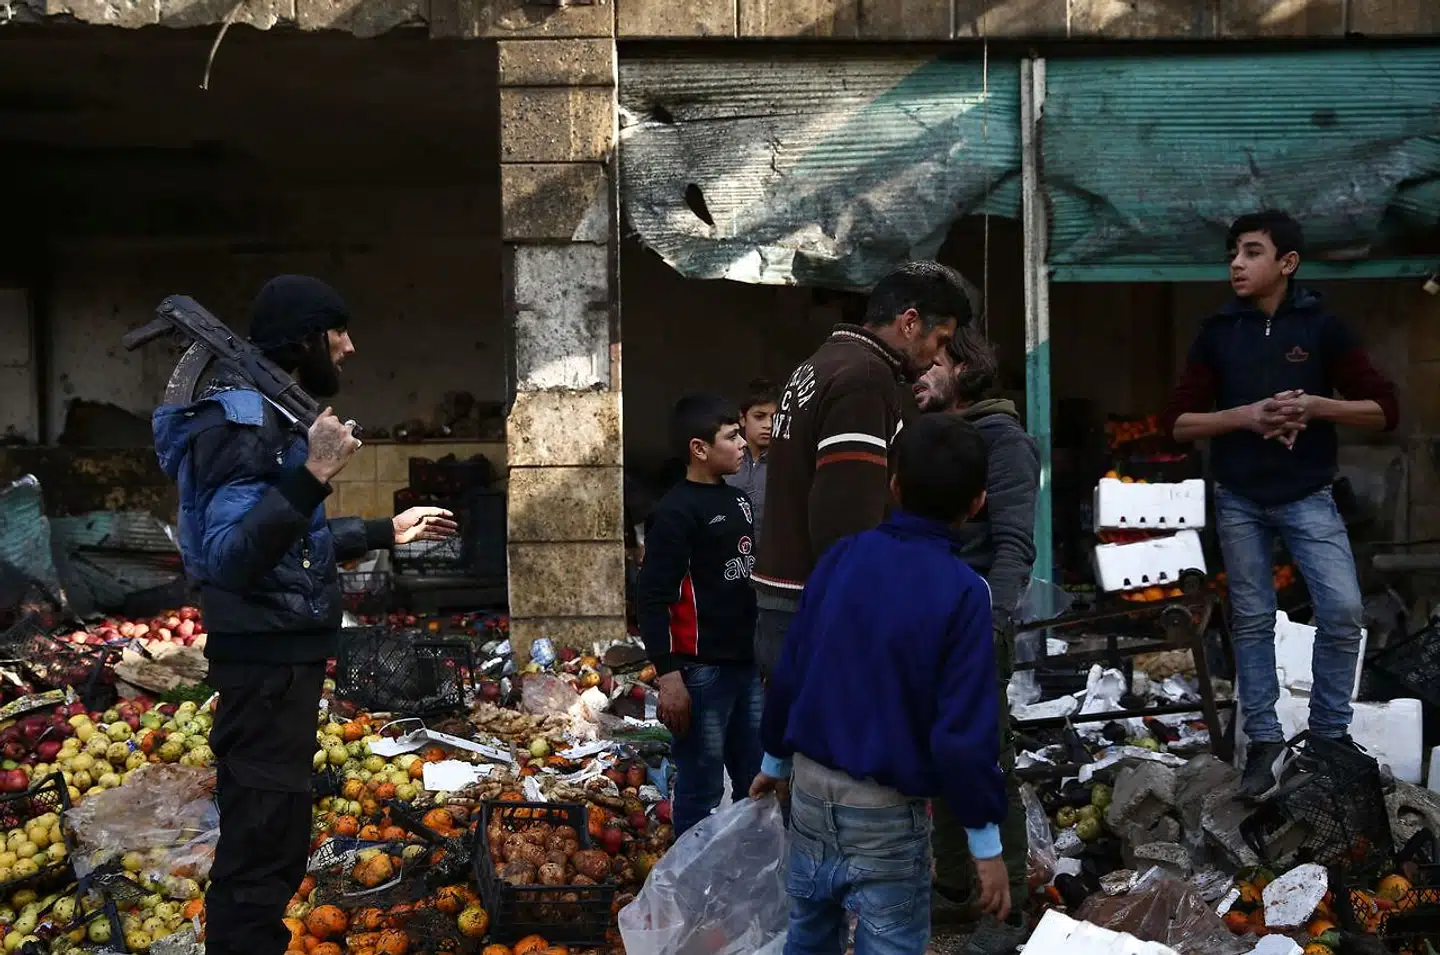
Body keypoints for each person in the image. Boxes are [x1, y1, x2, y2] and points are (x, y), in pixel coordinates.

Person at [151, 275, 458, 955]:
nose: (349, 346)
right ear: (307, 339)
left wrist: (381, 531)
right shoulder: (241, 423)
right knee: (261, 848)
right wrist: (312, 472)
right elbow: (232, 557)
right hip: (264, 666)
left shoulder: (265, 413)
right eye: (338, 331)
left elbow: (287, 542)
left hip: (279, 663)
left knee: (276, 840)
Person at [1159, 211, 1399, 800]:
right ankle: (1264, 741)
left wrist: (1316, 406)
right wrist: (1247, 416)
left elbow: (1383, 410)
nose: (1236, 264)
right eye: (1233, 254)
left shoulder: (1323, 328)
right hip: (1239, 496)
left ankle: (1329, 735)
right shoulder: (1218, 332)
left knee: (1342, 610)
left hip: (1308, 494)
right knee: (1253, 620)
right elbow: (1178, 423)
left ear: (1287, 263)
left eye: (1251, 252)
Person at [751, 413, 1010, 955]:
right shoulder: (966, 592)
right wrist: (985, 844)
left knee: (808, 937)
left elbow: (793, 667)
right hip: (886, 814)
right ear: (978, 503)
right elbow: (964, 732)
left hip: (810, 792)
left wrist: (774, 761)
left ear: (894, 485)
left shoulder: (841, 558)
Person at [752, 261, 974, 680]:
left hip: (788, 600)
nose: (935, 358)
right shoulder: (866, 377)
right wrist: (864, 615)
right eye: (940, 340)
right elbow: (846, 518)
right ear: (910, 322)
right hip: (819, 606)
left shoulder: (822, 363)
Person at [915, 327, 1037, 943]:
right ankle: (957, 888)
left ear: (963, 370)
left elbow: (1013, 541)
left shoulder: (1003, 442)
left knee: (988, 760)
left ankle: (1006, 910)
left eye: (933, 364)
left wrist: (994, 621)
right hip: (931, 620)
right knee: (940, 758)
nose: (921, 374)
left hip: (976, 623)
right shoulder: (938, 435)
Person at [638, 395, 762, 836]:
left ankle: (748, 868)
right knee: (701, 788)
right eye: (731, 437)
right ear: (699, 449)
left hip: (747, 666)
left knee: (757, 782)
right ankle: (693, 875)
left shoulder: (739, 501)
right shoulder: (674, 512)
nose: (742, 444)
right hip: (702, 672)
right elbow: (652, 597)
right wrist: (669, 677)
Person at [724, 378, 778, 539]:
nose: (768, 425)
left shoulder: (788, 463)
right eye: (759, 416)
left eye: (774, 418)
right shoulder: (724, 460)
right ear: (742, 418)